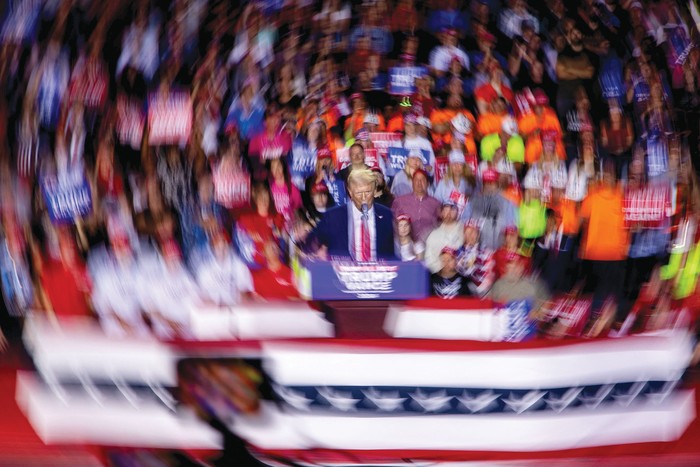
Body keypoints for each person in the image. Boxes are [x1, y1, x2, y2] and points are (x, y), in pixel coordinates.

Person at [306, 168, 396, 261]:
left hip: (379, 273)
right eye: (358, 193)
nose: (363, 198)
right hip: (341, 273)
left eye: (368, 192)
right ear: (350, 192)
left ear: (374, 190)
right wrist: (315, 248)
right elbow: (311, 243)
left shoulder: (387, 215)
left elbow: (396, 254)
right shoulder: (333, 217)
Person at [392, 169, 442, 243]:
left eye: (422, 180)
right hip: (404, 245)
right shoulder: (399, 201)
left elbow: (439, 225)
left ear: (428, 184)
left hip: (428, 245)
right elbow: (393, 223)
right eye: (416, 180)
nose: (419, 183)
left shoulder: (436, 203)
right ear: (412, 183)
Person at [424, 202, 464, 274]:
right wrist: (442, 269)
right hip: (439, 277)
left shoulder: (464, 231)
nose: (449, 213)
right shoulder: (433, 235)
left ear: (458, 212)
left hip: (461, 276)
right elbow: (429, 259)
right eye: (446, 210)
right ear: (441, 213)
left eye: (452, 210)